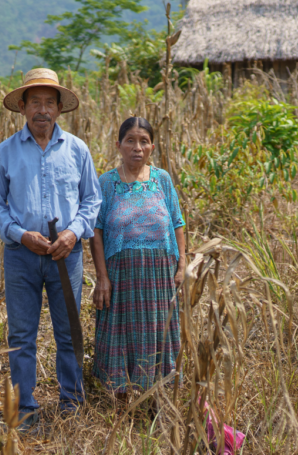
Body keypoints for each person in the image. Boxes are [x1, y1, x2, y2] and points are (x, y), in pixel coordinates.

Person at [0, 68, 101, 429]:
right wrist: (22, 235)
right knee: (21, 335)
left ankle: (72, 402)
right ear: (22, 107)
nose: (42, 110)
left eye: (49, 103)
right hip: (22, 256)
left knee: (69, 331)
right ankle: (24, 410)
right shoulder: (5, 153)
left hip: (68, 255)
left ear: (59, 109)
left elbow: (92, 200)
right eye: (35, 102)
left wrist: (73, 233)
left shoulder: (77, 149)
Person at [90, 117, 186, 407]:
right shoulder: (106, 183)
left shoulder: (162, 179)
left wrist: (181, 266)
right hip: (121, 276)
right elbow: (96, 231)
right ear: (118, 145)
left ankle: (158, 400)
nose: (137, 147)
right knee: (121, 333)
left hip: (160, 274)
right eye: (130, 140)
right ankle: (120, 403)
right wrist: (102, 277)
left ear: (152, 147)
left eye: (144, 141)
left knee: (159, 330)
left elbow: (178, 222)